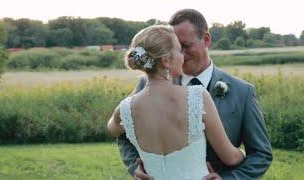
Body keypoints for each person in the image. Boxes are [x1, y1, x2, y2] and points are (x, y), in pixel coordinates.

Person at [117, 9, 273, 180]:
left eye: (186, 45)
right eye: (175, 47)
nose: (181, 54)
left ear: (206, 39)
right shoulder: (146, 86)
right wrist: (136, 168)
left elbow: (261, 154)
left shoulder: (242, 92)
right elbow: (124, 135)